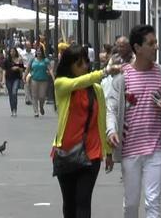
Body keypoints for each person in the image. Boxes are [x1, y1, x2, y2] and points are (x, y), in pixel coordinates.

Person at [106, 24, 161, 218]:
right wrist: (111, 131)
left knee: (153, 201)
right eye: (151, 43)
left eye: (156, 42)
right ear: (137, 48)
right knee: (131, 204)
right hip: (130, 149)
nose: (156, 47)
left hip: (156, 148)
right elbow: (112, 108)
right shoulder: (122, 78)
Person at [52, 44, 118, 218]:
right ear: (69, 66)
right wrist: (104, 72)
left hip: (91, 153)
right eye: (79, 64)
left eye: (86, 63)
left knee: (83, 201)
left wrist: (108, 152)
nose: (85, 67)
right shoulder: (61, 85)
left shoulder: (96, 90)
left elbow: (101, 121)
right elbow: (77, 82)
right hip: (65, 151)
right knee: (69, 202)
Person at [27, 49, 52, 117]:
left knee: (42, 96)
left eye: (40, 51)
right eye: (37, 51)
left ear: (42, 52)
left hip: (43, 80)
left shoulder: (46, 60)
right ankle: (36, 111)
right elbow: (28, 68)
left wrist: (53, 77)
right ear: (36, 53)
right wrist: (24, 76)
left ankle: (41, 107)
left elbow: (50, 69)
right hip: (34, 79)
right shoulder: (33, 60)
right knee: (34, 96)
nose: (39, 52)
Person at [3, 48, 26, 117]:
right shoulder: (7, 60)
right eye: (11, 51)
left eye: (13, 51)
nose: (12, 53)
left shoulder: (19, 60)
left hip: (16, 78)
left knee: (14, 92)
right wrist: (3, 80)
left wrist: (18, 68)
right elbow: (4, 70)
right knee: (11, 95)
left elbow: (22, 69)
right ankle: (12, 109)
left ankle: (15, 109)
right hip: (8, 79)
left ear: (16, 52)